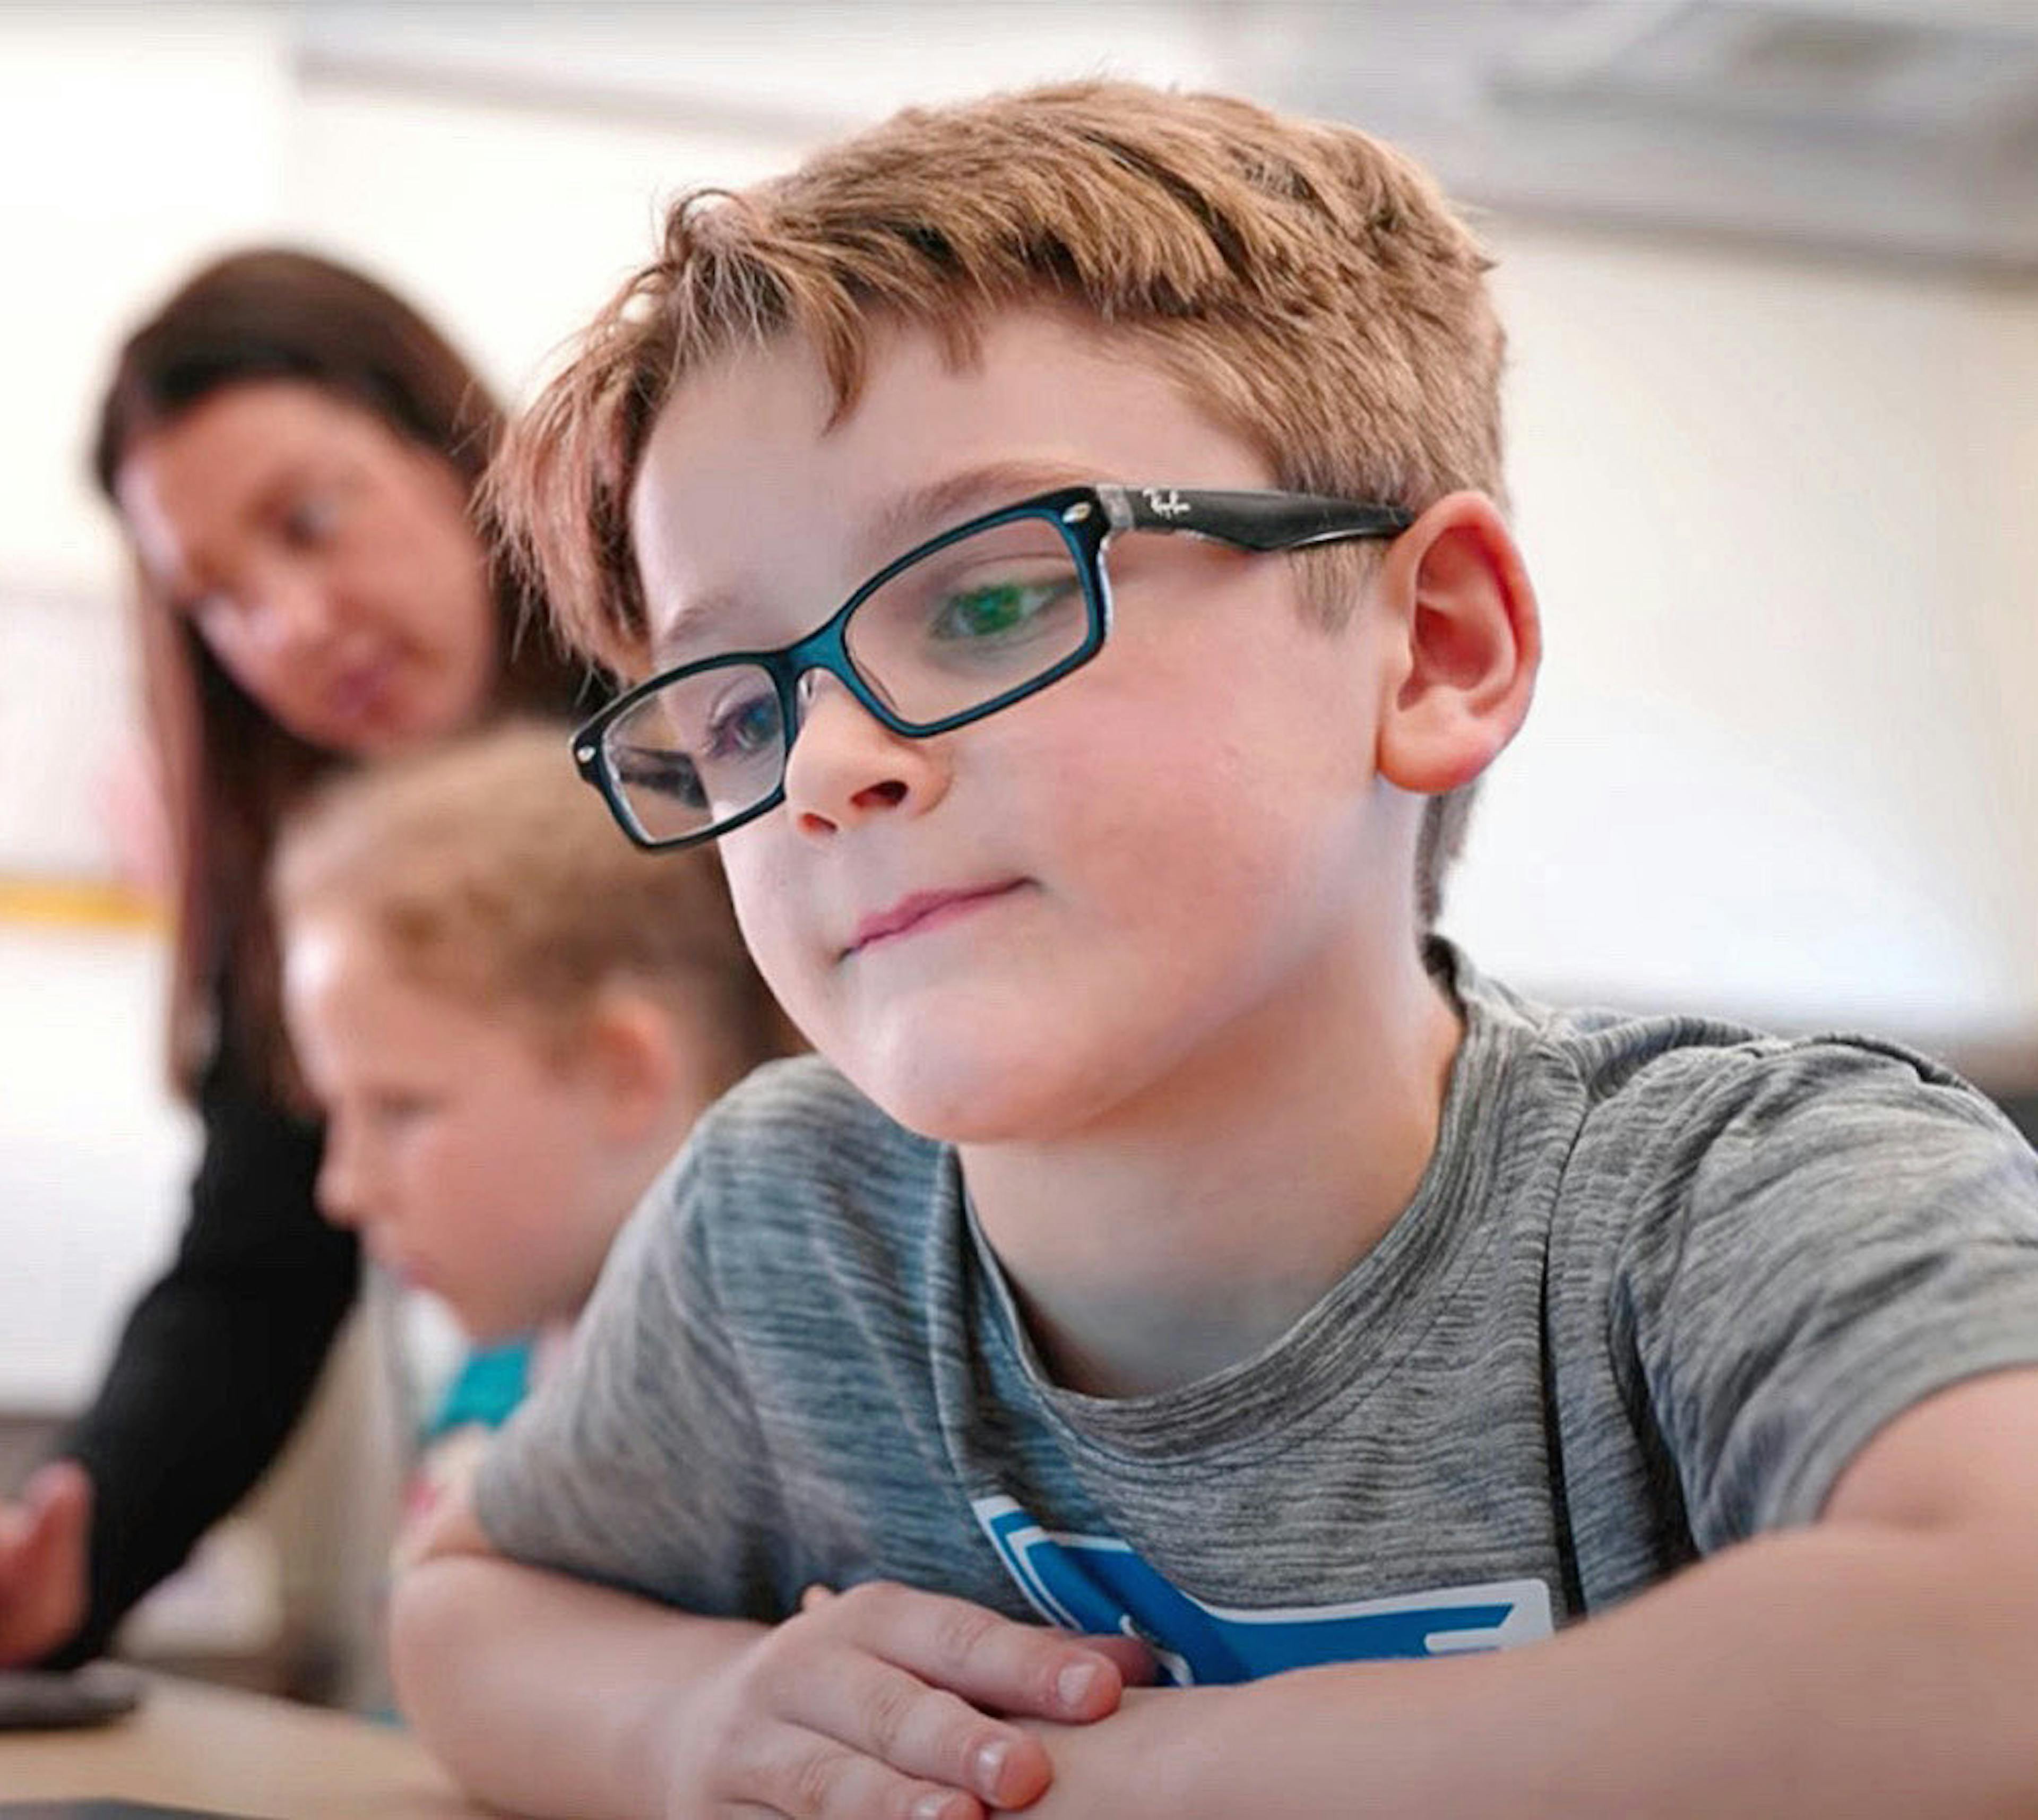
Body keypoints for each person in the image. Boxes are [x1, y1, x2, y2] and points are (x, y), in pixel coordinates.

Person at [392, 82, 2038, 1820]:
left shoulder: (1730, 1193)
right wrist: (692, 1725)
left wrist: (1125, 1789)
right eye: (734, 711)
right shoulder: (784, 1233)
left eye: (992, 597)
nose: (821, 767)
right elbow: (469, 1611)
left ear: (1436, 651)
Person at [0, 251, 598, 1670]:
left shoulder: (711, 739)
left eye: (313, 520)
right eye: (216, 598)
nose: (290, 625)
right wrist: (73, 1538)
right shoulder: (303, 877)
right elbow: (253, 1272)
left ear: (448, 447)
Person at [270, 722, 792, 1563]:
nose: (344, 1187)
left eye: (400, 1109)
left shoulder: (784, 1421)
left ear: (624, 1072)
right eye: (334, 1112)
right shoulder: (497, 1371)